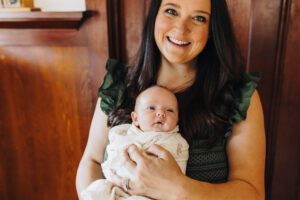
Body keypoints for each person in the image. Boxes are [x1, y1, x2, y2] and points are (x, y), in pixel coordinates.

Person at [76, 0, 266, 199]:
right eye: (171, 11)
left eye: (199, 18)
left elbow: (252, 192)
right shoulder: (119, 86)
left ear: (212, 30)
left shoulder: (237, 94)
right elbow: (92, 162)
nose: (181, 28)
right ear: (155, 17)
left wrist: (177, 189)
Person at [80, 86, 189, 200]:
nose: (161, 113)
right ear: (135, 118)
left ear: (177, 120)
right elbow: (112, 153)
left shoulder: (177, 142)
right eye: (151, 108)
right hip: (117, 185)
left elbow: (178, 174)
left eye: (170, 110)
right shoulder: (124, 133)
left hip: (153, 194)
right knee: (98, 188)